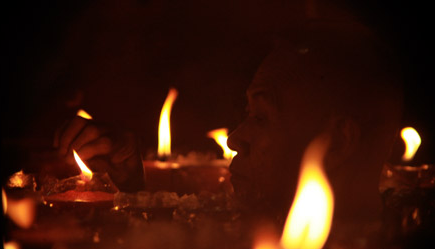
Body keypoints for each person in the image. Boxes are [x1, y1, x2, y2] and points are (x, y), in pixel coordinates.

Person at [54, 20, 403, 224]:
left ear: (339, 142)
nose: (235, 140)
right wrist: (130, 192)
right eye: (247, 115)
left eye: (262, 117)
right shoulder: (233, 229)